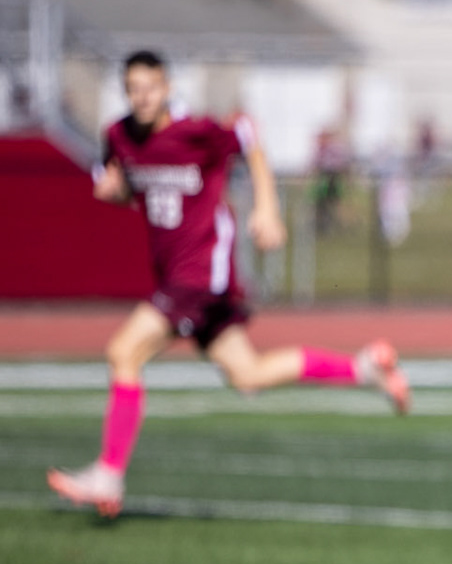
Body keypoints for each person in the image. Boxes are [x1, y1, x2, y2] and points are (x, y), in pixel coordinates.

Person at [46, 51, 408, 520]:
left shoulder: (197, 131)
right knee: (248, 374)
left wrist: (267, 208)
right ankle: (363, 370)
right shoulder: (118, 136)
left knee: (123, 353)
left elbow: (249, 137)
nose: (142, 97)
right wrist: (113, 193)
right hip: (176, 274)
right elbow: (124, 191)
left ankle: (109, 472)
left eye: (150, 87)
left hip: (200, 275)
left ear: (167, 87)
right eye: (133, 88)